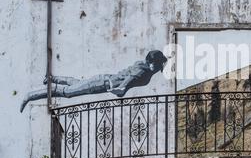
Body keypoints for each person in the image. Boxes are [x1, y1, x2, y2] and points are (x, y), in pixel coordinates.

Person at [20, 50, 167, 112]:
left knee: (76, 84)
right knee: (68, 93)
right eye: (158, 64)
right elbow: (131, 78)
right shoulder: (144, 69)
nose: (158, 67)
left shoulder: (145, 68)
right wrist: (122, 89)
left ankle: (52, 79)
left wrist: (122, 89)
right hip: (102, 83)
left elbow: (131, 78)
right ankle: (31, 95)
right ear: (153, 62)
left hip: (101, 81)